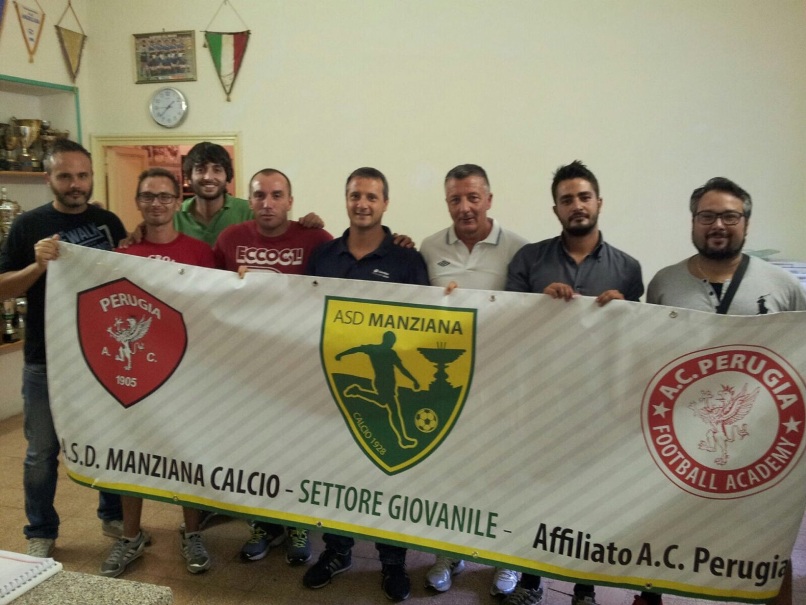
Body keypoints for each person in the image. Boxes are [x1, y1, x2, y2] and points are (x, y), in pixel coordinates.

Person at [647, 177, 805, 605]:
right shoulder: (664, 283)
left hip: (762, 443)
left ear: (746, 223)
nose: (718, 225)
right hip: (680, 438)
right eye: (707, 216)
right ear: (693, 222)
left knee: (768, 540)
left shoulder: (784, 287)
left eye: (730, 216)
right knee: (663, 533)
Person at [505, 160, 643, 605]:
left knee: (589, 497)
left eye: (584, 197)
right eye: (567, 200)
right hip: (538, 398)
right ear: (556, 210)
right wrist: (537, 304)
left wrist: (626, 309)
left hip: (598, 403)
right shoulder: (529, 260)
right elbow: (505, 323)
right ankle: (531, 581)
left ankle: (584, 587)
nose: (577, 205)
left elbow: (639, 339)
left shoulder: (628, 268)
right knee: (535, 493)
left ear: (599, 202)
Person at [303, 167, 429, 602]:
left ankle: (393, 561)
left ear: (385, 204)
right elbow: (300, 312)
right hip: (332, 386)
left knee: (388, 472)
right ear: (346, 199)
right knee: (336, 470)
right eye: (356, 195)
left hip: (387, 387)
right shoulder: (323, 255)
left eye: (372, 197)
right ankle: (337, 551)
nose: (362, 204)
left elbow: (423, 325)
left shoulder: (407, 260)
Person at [0, 139, 128, 557]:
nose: (76, 184)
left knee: (108, 440)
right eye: (65, 176)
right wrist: (37, 266)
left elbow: (129, 272)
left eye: (82, 175)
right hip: (46, 358)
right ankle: (40, 530)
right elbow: (3, 288)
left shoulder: (108, 221)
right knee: (41, 452)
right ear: (48, 179)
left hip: (101, 354)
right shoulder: (27, 225)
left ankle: (113, 514)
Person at [100, 168, 216, 577]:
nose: (157, 204)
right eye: (148, 196)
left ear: (177, 202)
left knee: (186, 453)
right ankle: (130, 535)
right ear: (138, 202)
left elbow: (216, 307)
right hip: (140, 372)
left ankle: (192, 532)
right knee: (131, 452)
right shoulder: (122, 254)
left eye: (165, 196)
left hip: (187, 370)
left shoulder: (200, 252)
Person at [213, 168, 333, 566]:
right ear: (249, 200)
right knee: (254, 450)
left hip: (298, 366)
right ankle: (263, 525)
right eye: (260, 195)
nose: (268, 203)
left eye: (277, 195)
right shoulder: (230, 239)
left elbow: (345, 276)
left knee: (296, 448)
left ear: (290, 201)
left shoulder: (315, 238)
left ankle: (298, 524)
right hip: (246, 368)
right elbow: (206, 292)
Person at [420, 163, 528, 596]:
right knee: (452, 468)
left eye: (472, 197)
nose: (464, 207)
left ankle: (506, 558)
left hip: (501, 380)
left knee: (504, 469)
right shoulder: (428, 247)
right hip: (447, 380)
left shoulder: (520, 248)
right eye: (455, 199)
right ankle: (449, 552)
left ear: (489, 199)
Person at [174, 141, 322, 245]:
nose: (208, 177)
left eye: (217, 170)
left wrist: (307, 225)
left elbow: (281, 238)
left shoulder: (250, 211)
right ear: (189, 176)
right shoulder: (175, 215)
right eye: (200, 170)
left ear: (227, 175)